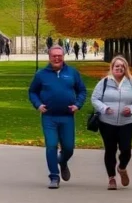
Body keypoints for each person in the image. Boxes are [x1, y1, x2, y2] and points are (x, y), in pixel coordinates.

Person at [29, 45, 87, 189]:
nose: (57, 58)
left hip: (67, 116)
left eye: (59, 56)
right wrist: (38, 105)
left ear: (63, 56)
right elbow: (32, 92)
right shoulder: (41, 74)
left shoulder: (72, 73)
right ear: (49, 57)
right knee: (51, 146)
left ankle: (62, 161)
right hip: (49, 116)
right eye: (54, 56)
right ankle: (54, 176)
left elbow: (82, 91)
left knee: (68, 148)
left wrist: (77, 105)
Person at [91, 56, 132, 190]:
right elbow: (95, 99)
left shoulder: (131, 83)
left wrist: (131, 109)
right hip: (107, 123)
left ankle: (122, 168)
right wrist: (104, 108)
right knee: (110, 150)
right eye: (117, 66)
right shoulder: (104, 83)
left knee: (126, 150)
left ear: (125, 69)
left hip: (126, 122)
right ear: (112, 68)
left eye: (122, 66)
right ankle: (111, 178)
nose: (120, 68)